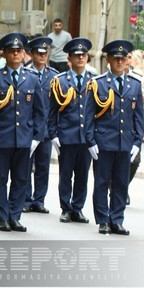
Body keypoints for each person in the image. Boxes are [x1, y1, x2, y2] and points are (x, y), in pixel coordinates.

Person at [0, 33, 46, 231]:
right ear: (5, 53)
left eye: (19, 51)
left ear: (24, 53)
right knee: (1, 178)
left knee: (20, 179)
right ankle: (2, 217)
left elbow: (39, 111)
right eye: (12, 51)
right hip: (3, 137)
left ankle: (15, 215)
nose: (16, 54)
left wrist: (36, 136)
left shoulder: (32, 79)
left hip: (24, 138)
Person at [85, 40, 144, 235]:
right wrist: (90, 141)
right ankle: (103, 219)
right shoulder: (98, 84)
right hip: (103, 142)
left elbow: (138, 117)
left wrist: (137, 142)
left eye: (123, 58)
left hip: (125, 143)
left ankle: (117, 219)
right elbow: (88, 116)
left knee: (120, 183)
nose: (119, 62)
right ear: (108, 60)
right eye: (115, 58)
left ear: (128, 61)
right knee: (102, 182)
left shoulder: (134, 85)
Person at [48, 38, 94, 224]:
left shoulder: (94, 81)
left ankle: (78, 208)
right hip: (67, 135)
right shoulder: (60, 81)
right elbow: (52, 111)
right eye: (76, 55)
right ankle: (66, 208)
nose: (80, 58)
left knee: (82, 174)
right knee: (66, 174)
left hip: (87, 137)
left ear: (87, 58)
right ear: (69, 58)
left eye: (83, 55)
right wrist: (53, 134)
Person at [22, 36, 57, 214]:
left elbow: (56, 106)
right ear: (32, 54)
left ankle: (39, 199)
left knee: (43, 166)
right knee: (26, 165)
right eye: (39, 53)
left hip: (46, 129)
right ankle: (26, 199)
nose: (43, 56)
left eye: (45, 53)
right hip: (28, 128)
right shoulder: (25, 72)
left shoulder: (54, 75)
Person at [125, 49, 144, 205]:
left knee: (134, 161)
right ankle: (115, 187)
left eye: (129, 57)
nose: (126, 60)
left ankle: (122, 187)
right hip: (112, 128)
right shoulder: (107, 79)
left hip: (133, 127)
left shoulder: (137, 80)